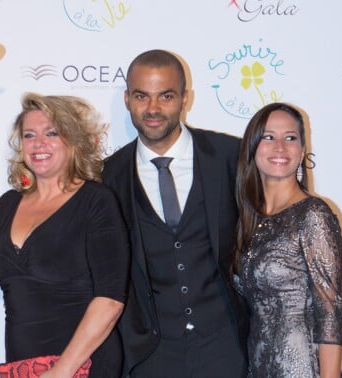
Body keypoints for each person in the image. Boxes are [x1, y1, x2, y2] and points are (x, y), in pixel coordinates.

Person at [103, 49, 248, 377]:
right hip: (150, 357)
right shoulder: (107, 177)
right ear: (127, 99)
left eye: (165, 96)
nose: (152, 109)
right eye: (141, 96)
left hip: (226, 349)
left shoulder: (230, 157)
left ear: (185, 98)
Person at [0, 92, 130, 377]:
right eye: (29, 135)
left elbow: (110, 300)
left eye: (52, 133)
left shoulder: (96, 201)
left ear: (74, 140)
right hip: (21, 368)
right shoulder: (7, 205)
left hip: (83, 366)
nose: (38, 143)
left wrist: (62, 371)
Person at [234, 102, 342, 377]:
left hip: (302, 369)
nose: (280, 147)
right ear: (252, 147)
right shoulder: (248, 218)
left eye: (290, 138)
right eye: (269, 137)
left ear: (302, 151)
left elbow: (329, 313)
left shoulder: (313, 215)